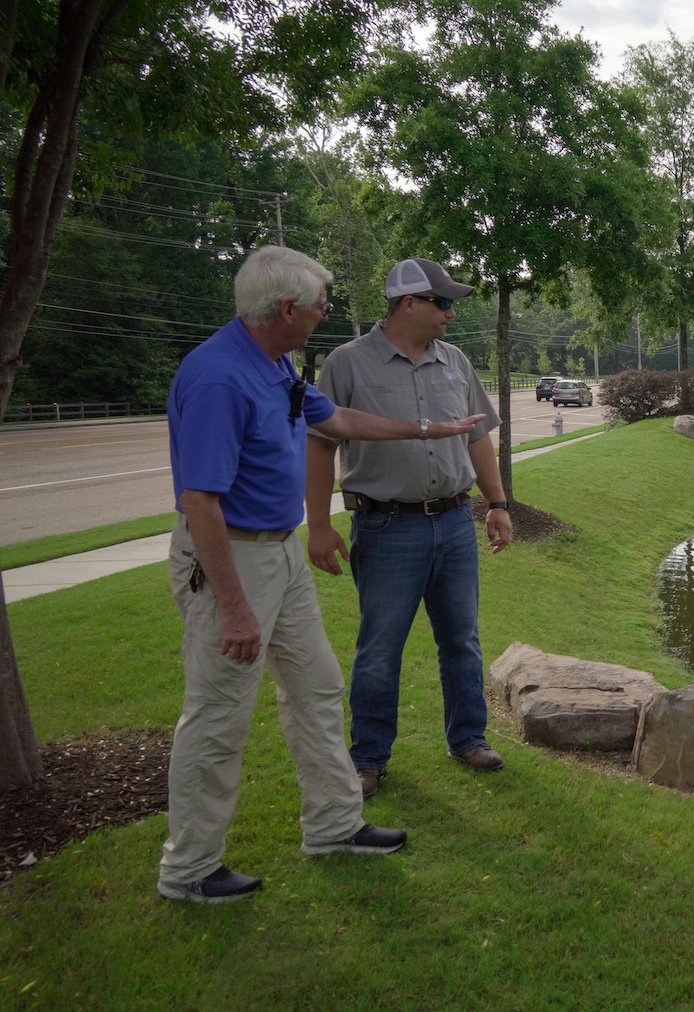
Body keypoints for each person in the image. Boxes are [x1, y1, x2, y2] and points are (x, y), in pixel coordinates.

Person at [161, 245, 485, 904]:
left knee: (316, 687)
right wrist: (233, 606)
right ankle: (189, 868)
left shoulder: (275, 364)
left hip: (279, 552)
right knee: (219, 714)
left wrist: (432, 426)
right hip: (233, 558)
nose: (325, 313)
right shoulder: (220, 377)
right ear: (287, 309)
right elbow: (200, 502)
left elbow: (336, 420)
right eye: (319, 305)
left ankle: (334, 826)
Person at [304, 258, 511, 800]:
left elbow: (477, 438)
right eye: (441, 302)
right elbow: (321, 445)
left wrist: (497, 503)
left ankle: (468, 738)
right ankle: (368, 758)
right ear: (408, 303)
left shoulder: (456, 362)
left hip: (454, 521)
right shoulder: (347, 364)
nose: (450, 311)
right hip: (386, 527)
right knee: (379, 649)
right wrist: (320, 526)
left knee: (462, 641)